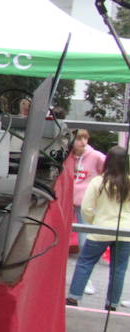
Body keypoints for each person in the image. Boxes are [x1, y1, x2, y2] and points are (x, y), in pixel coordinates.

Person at [67, 145, 130, 310]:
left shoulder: (99, 181)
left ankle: (74, 297)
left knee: (85, 262)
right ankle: (112, 304)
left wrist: (95, 221)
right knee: (119, 269)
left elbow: (86, 208)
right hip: (125, 232)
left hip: (100, 229)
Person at [67, 129, 106, 266]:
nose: (83, 142)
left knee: (85, 234)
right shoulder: (68, 156)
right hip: (67, 200)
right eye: (79, 139)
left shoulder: (96, 156)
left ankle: (86, 261)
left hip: (85, 202)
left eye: (85, 138)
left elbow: (108, 173)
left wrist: (98, 192)